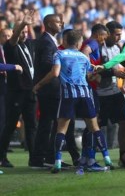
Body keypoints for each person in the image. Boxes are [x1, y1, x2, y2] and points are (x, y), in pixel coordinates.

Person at [33, 30, 113, 173]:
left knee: (61, 129)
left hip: (69, 95)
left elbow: (55, 73)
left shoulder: (59, 54)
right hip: (85, 95)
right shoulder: (83, 56)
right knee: (95, 127)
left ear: (65, 41)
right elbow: (90, 73)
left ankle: (57, 161)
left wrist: (39, 85)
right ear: (78, 43)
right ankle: (107, 157)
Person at [0, 11, 37, 168]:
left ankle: (34, 158)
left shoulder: (28, 44)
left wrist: (28, 25)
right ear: (15, 32)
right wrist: (22, 23)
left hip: (30, 91)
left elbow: (32, 38)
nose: (24, 34)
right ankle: (2, 157)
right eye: (21, 32)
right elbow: (14, 39)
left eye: (26, 32)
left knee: (31, 125)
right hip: (16, 92)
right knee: (10, 125)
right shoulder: (10, 46)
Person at [32, 14, 65, 168]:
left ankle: (45, 158)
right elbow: (46, 64)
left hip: (49, 88)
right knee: (48, 124)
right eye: (58, 22)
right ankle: (41, 159)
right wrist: (61, 65)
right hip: (49, 89)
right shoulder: (46, 42)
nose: (61, 24)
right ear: (48, 24)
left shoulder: (48, 40)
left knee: (49, 124)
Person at [95, 21, 125, 166]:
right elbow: (94, 70)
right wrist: (113, 72)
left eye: (120, 34)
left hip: (115, 91)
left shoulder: (117, 48)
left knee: (123, 122)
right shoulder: (97, 48)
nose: (119, 37)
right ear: (107, 33)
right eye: (117, 34)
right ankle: (91, 154)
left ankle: (123, 155)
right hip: (100, 93)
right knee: (97, 125)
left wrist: (123, 81)